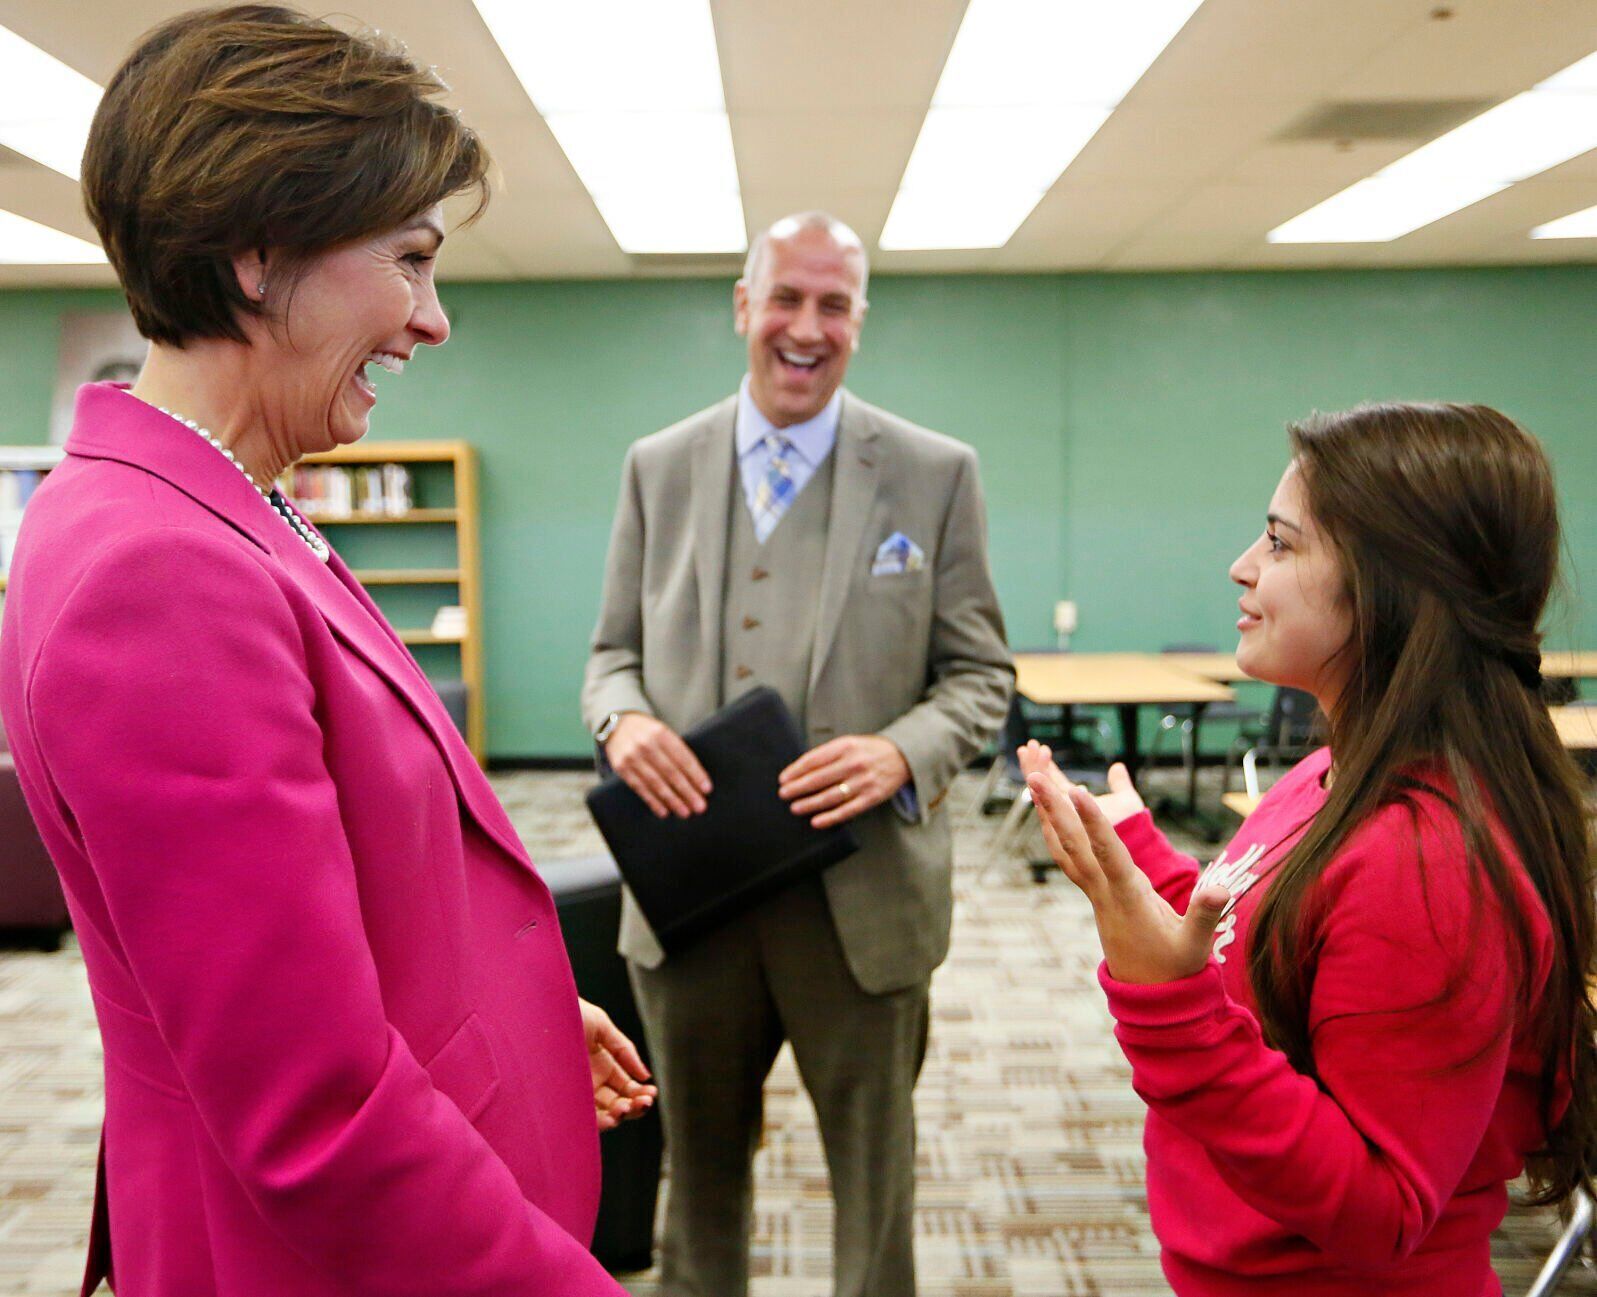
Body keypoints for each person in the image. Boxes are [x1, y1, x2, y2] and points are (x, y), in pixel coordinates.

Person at [0, 7, 653, 1294]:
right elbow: (313, 1113)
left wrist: (507, 1009)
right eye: (408, 259)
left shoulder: (223, 502)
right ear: (257, 254)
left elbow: (308, 901)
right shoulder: (161, 576)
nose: (432, 319)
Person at [1020, 402, 1596, 1296]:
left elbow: (1378, 1211)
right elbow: (1273, 948)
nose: (1242, 567)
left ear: (1389, 584)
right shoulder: (1338, 768)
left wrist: (1166, 1004)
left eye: (1281, 545)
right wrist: (1146, 874)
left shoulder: (1425, 861)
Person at [583, 211, 1014, 1296]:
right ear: (743, 307)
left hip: (863, 907)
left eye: (833, 305)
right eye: (785, 298)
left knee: (875, 1186)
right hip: (691, 904)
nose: (805, 327)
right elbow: (609, 660)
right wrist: (623, 722)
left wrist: (901, 752)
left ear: (859, 321)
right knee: (700, 1178)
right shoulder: (657, 466)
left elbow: (980, 678)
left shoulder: (933, 473)